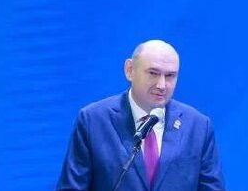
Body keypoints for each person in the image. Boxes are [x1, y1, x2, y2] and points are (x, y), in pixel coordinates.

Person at [56, 40, 226, 190]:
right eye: (153, 73)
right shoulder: (93, 121)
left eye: (170, 76)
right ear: (129, 70)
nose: (162, 85)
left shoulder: (198, 126)